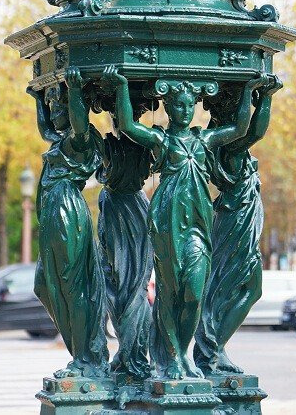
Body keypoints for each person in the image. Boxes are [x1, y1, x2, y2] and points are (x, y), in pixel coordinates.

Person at [102, 65, 267, 380]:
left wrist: (252, 92)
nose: (184, 110)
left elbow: (241, 128)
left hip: (197, 227)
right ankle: (174, 356)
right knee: (170, 291)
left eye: (189, 105)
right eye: (178, 105)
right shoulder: (162, 141)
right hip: (168, 225)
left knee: (194, 290)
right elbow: (128, 125)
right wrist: (121, 86)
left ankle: (182, 350)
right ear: (168, 107)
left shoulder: (205, 139)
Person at [194, 75, 283, 375]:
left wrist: (255, 94)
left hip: (242, 222)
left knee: (245, 288)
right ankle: (212, 348)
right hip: (237, 223)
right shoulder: (229, 148)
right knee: (240, 286)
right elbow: (255, 130)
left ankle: (214, 347)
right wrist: (262, 96)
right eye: (236, 111)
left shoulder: (228, 147)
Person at [27, 67, 109, 379]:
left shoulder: (80, 141)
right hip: (52, 212)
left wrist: (74, 92)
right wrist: (38, 100)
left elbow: (78, 124)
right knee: (44, 286)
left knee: (73, 286)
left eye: (59, 109)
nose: (53, 113)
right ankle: (81, 349)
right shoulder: (59, 142)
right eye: (53, 108)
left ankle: (85, 356)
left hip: (65, 211)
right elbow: (46, 129)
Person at [97, 123, 153, 379]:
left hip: (134, 210)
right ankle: (128, 353)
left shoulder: (143, 144)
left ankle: (135, 355)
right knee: (115, 285)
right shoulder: (107, 145)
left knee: (135, 288)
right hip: (114, 209)